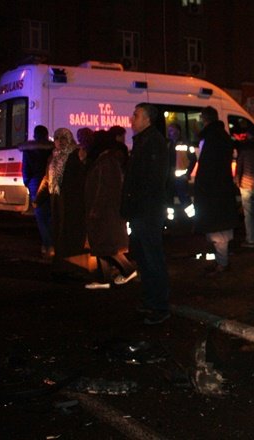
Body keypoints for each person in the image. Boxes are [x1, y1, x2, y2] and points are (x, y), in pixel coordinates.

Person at [122, 103, 172, 325]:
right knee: (144, 258)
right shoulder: (143, 141)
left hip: (147, 212)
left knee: (152, 258)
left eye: (136, 115)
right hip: (141, 211)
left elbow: (151, 180)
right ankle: (151, 300)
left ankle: (159, 306)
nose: (132, 119)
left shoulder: (153, 143)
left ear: (147, 119)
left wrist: (137, 204)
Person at [84, 130, 136, 289]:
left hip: (105, 212)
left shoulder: (106, 162)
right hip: (106, 211)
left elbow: (104, 188)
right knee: (101, 247)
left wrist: (95, 209)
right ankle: (104, 279)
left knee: (108, 247)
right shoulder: (107, 160)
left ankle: (128, 270)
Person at [193, 107, 240, 274]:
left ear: (204, 119)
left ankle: (222, 263)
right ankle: (221, 261)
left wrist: (200, 185)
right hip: (221, 189)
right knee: (219, 229)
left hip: (213, 190)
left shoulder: (211, 138)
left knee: (218, 231)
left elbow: (207, 166)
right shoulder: (222, 136)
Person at [47, 128, 87, 280]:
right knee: (58, 231)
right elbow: (48, 178)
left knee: (69, 232)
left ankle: (70, 266)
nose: (59, 141)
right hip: (57, 200)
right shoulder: (54, 156)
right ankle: (60, 265)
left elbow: (80, 178)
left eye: (63, 138)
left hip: (72, 201)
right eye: (57, 138)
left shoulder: (75, 155)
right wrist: (39, 197)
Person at [19, 125, 54, 259]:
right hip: (50, 183)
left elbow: (26, 170)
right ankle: (51, 244)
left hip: (35, 183)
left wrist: (28, 183)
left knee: (40, 217)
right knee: (50, 215)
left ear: (35, 135)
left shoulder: (29, 150)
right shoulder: (52, 149)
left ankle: (47, 244)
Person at [167, 123, 196, 219]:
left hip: (181, 177)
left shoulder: (186, 144)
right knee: (169, 200)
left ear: (178, 131)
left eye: (172, 130)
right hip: (170, 177)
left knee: (184, 199)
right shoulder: (169, 144)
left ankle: (193, 219)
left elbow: (193, 159)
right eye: (169, 130)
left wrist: (187, 173)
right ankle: (170, 221)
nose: (169, 133)